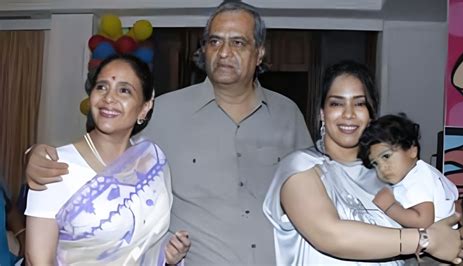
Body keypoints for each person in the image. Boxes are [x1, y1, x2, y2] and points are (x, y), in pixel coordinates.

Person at [24, 1, 313, 265]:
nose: (224, 52)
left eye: (238, 42)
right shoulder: (162, 113)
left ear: (259, 52)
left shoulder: (288, 115)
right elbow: (106, 150)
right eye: (215, 41)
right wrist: (34, 155)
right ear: (204, 49)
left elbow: (318, 191)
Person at [263, 60, 463, 265]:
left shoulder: (388, 174)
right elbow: (332, 236)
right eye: (336, 103)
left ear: (371, 114)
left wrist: (449, 246)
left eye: (359, 103)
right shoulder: (301, 167)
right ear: (322, 113)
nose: (349, 113)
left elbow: (431, 237)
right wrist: (425, 240)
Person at [24, 54, 189, 265]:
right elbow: (37, 260)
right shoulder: (55, 166)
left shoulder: (151, 164)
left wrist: (165, 255)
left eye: (124, 90)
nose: (109, 98)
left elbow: (142, 240)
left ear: (145, 107)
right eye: (101, 87)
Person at [358, 113, 459, 229]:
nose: (382, 167)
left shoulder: (416, 179)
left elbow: (424, 222)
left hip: (438, 241)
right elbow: (454, 196)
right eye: (375, 163)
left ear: (412, 151)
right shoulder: (427, 171)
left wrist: (390, 206)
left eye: (386, 156)